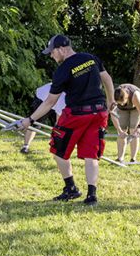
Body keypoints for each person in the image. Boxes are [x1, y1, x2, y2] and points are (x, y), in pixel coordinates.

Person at [18, 34, 115, 206]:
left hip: (76, 115)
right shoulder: (90, 58)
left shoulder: (62, 70)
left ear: (62, 49)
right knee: (91, 154)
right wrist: (110, 100)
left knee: (58, 150)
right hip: (99, 113)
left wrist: (30, 120)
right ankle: (92, 196)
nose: (51, 55)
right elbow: (107, 79)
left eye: (52, 52)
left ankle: (71, 188)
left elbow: (49, 102)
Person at [21, 83, 66, 154]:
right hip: (43, 98)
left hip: (55, 101)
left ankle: (55, 147)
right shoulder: (64, 97)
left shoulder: (69, 98)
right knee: (34, 123)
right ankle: (25, 146)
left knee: (59, 127)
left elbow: (59, 123)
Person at [112, 83, 140, 163]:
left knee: (134, 130)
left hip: (136, 108)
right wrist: (119, 130)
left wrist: (139, 127)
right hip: (122, 110)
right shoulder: (115, 98)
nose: (121, 104)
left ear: (127, 97)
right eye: (119, 103)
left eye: (122, 102)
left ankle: (133, 159)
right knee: (122, 131)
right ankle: (120, 158)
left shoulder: (135, 96)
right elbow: (113, 115)